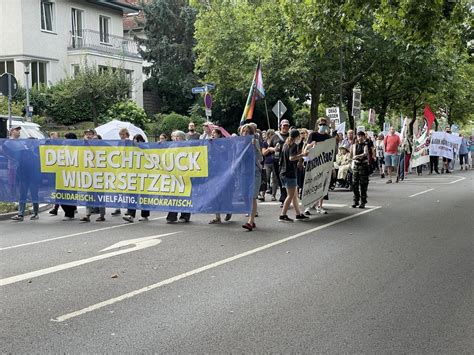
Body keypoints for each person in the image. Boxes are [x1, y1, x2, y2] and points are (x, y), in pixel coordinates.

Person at [279, 129, 309, 222]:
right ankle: (283, 214)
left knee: (294, 195)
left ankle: (298, 213)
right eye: (299, 136)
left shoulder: (285, 144)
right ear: (296, 137)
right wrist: (302, 155)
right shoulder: (293, 145)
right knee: (291, 195)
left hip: (284, 172)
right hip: (289, 173)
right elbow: (291, 158)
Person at [305, 117, 332, 215]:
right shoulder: (313, 135)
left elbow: (331, 150)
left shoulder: (328, 137)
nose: (322, 126)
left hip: (323, 163)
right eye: (321, 124)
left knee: (321, 185)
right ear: (317, 125)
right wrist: (312, 145)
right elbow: (306, 147)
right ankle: (308, 206)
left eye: (324, 124)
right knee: (312, 185)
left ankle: (319, 206)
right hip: (314, 163)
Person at [123, 134, 151, 223]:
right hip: (134, 176)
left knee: (144, 196)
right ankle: (131, 215)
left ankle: (145, 215)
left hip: (144, 176)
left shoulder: (146, 148)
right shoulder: (131, 149)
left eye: (137, 141)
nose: (135, 143)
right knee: (132, 195)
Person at [80, 130, 106, 222]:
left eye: (90, 135)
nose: (89, 136)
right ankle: (87, 215)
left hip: (99, 175)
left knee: (100, 196)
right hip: (89, 174)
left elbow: (95, 153)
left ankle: (102, 215)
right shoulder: (87, 146)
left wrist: (88, 143)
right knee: (89, 196)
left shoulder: (100, 147)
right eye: (87, 135)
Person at [241, 124, 263, 231]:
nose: (245, 133)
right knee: (245, 195)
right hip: (244, 172)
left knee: (252, 196)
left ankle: (250, 221)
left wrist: (255, 147)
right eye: (244, 131)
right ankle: (251, 216)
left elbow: (260, 158)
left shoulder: (255, 142)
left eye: (248, 131)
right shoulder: (239, 143)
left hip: (255, 171)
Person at [166, 130, 191, 223]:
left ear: (182, 138)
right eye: (174, 137)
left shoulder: (187, 147)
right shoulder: (171, 147)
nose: (175, 139)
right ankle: (172, 216)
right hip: (174, 175)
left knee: (184, 196)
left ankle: (185, 216)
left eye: (178, 137)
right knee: (173, 196)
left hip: (184, 175)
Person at [270, 119, 291, 207]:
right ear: (280, 126)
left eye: (287, 126)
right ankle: (284, 198)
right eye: (284, 125)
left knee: (287, 179)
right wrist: (274, 149)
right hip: (277, 160)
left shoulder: (291, 136)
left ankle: (285, 198)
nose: (285, 127)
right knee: (280, 179)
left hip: (288, 161)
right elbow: (269, 148)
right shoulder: (275, 136)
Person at [111, 128, 130, 216]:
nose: (121, 137)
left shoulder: (130, 142)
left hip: (127, 169)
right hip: (119, 168)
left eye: (123, 135)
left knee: (127, 190)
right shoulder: (119, 143)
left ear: (126, 134)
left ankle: (127, 208)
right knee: (118, 190)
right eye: (120, 135)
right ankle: (117, 207)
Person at [61, 132, 78, 221]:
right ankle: (70, 211)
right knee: (60, 195)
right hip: (63, 174)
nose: (64, 140)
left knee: (70, 195)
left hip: (72, 175)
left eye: (66, 139)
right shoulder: (63, 148)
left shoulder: (76, 149)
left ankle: (69, 213)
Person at [351, 131, 370, 209]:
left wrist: (357, 156)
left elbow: (365, 154)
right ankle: (356, 200)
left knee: (363, 185)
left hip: (363, 166)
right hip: (356, 166)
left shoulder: (365, 145)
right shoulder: (354, 146)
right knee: (354, 184)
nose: (360, 137)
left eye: (362, 136)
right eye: (359, 136)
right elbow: (351, 156)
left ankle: (363, 201)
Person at [262, 129, 278, 201]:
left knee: (275, 179)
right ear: (268, 135)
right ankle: (263, 194)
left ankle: (273, 195)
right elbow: (263, 153)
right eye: (271, 134)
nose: (272, 135)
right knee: (266, 178)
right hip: (267, 163)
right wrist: (269, 149)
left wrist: (275, 149)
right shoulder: (265, 143)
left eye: (273, 134)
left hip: (275, 162)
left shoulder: (276, 142)